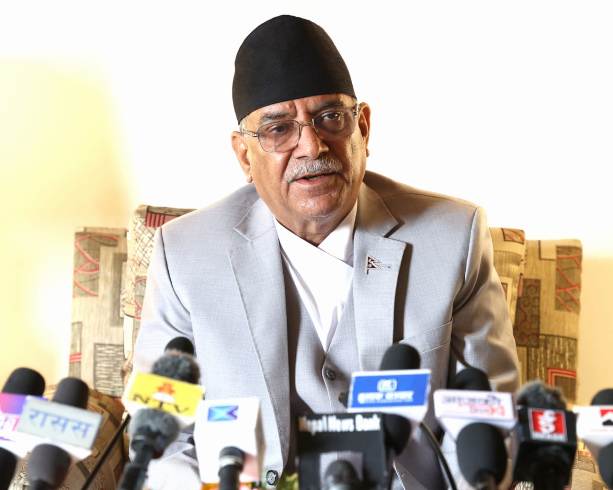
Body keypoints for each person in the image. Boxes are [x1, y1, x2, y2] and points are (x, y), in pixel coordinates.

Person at [132, 14, 519, 489]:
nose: (312, 146)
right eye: (278, 129)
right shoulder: (185, 255)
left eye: (331, 118)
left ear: (364, 128)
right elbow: (161, 434)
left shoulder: (452, 237)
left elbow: (488, 416)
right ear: (244, 155)